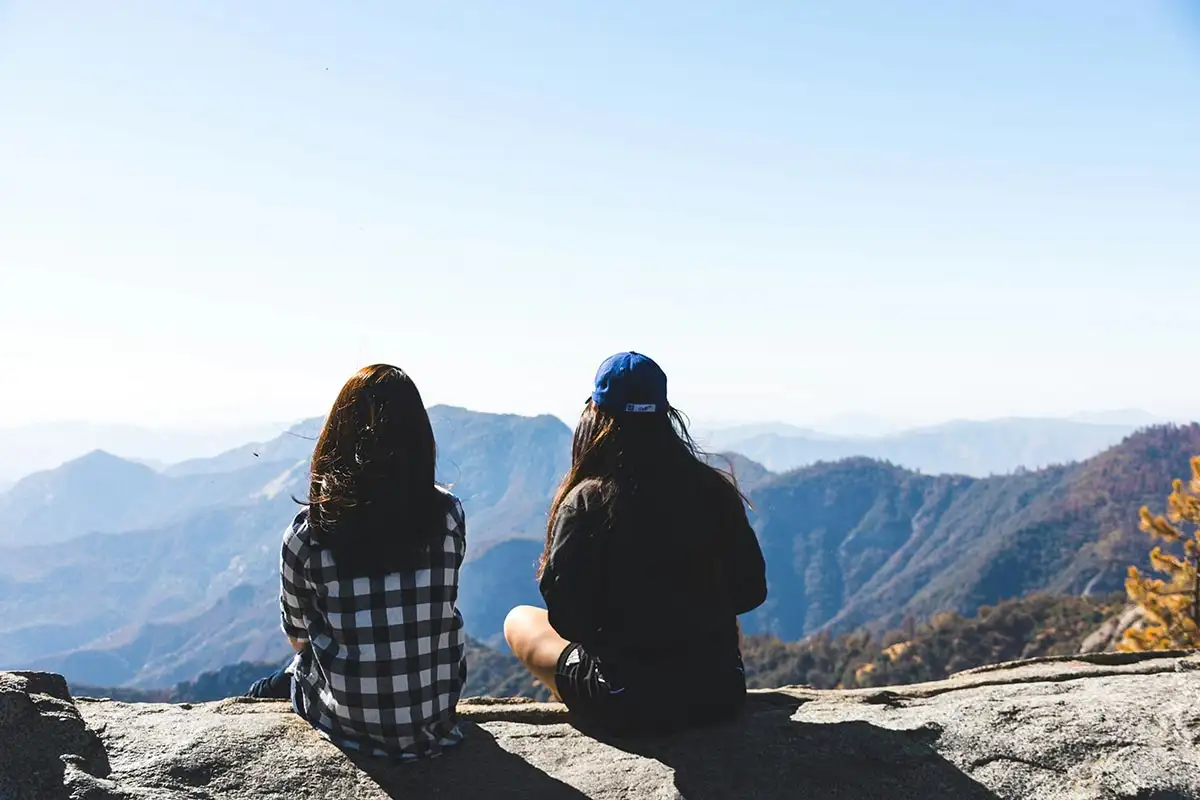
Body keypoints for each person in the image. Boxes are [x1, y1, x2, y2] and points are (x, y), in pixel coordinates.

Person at [504, 351, 768, 735]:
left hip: (625, 701)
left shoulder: (587, 500)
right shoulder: (713, 490)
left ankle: (584, 699)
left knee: (519, 620)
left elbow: (565, 618)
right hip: (717, 695)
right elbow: (749, 592)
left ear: (596, 417)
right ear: (665, 414)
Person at [246, 364, 468, 759]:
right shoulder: (448, 515)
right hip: (435, 714)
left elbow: (298, 636)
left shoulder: (308, 534)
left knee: (269, 687)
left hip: (347, 722)